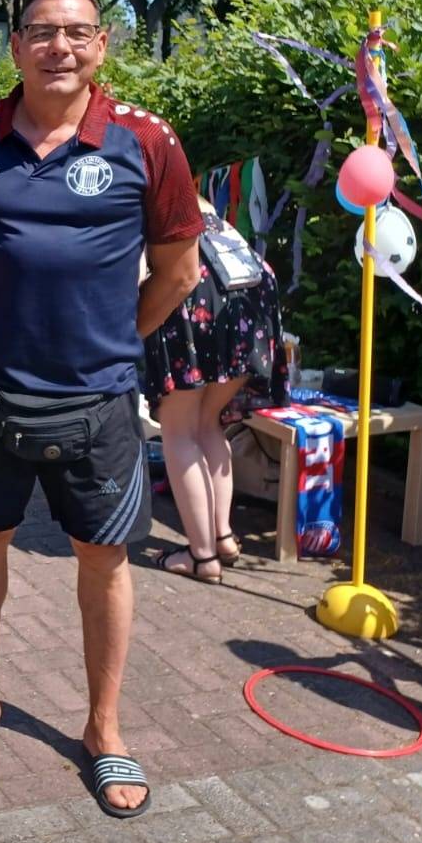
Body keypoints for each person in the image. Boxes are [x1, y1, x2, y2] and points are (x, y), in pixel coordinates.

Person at [0, 0, 202, 819]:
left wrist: (112, 340)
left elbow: (179, 272)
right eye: (43, 32)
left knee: (103, 559)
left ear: (102, 45)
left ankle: (104, 726)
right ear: (16, 45)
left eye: (78, 32)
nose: (60, 47)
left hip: (100, 399)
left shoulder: (146, 139)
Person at [143, 197, 288, 580]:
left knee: (178, 432)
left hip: (195, 290)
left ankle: (202, 556)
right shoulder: (190, 194)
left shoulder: (129, 182)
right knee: (208, 424)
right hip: (251, 288)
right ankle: (222, 537)